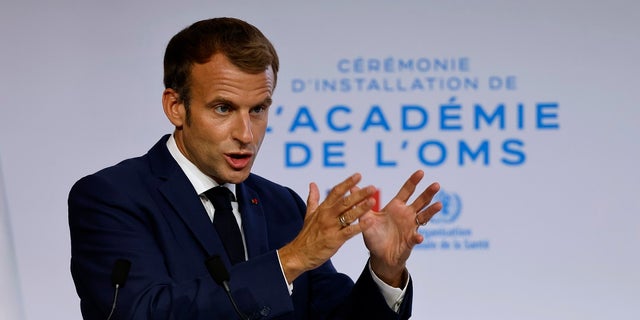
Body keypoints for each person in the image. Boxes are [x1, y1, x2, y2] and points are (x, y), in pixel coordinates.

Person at [68, 17, 442, 320]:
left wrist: (385, 271)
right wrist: (291, 260)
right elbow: (142, 312)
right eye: (223, 108)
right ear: (176, 107)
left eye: (258, 109)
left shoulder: (282, 205)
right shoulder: (111, 197)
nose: (246, 134)